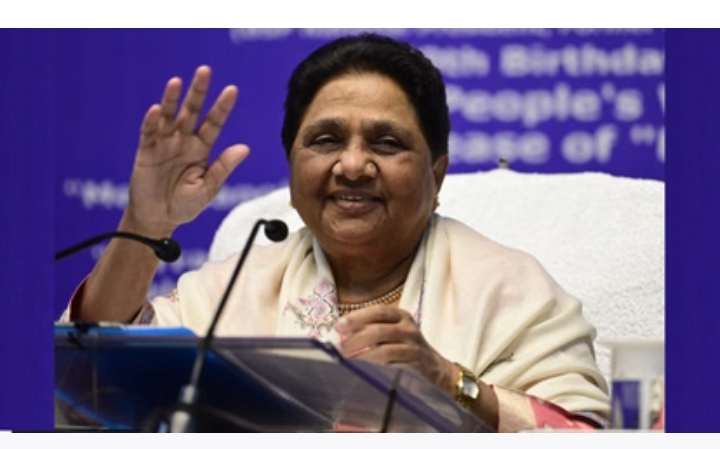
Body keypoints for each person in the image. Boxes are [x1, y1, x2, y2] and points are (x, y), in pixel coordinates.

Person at [60, 33, 610, 432]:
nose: (351, 165)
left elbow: (582, 433)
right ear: (293, 167)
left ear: (437, 174)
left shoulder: (510, 290)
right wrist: (146, 223)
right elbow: (89, 385)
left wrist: (447, 382)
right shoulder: (233, 289)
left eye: (386, 143)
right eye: (325, 141)